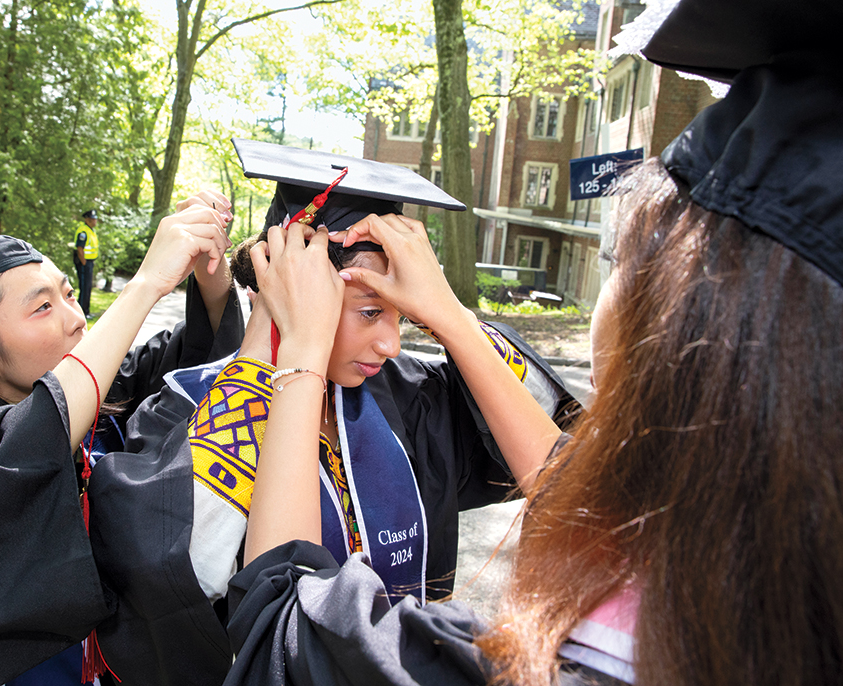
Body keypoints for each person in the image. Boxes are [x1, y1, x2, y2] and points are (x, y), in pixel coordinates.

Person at [220, 2, 843, 685]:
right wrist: (451, 318)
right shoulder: (763, 598)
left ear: (679, 323)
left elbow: (280, 624)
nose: (392, 343)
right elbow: (578, 497)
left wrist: (300, 353)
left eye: (618, 262)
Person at [84, 140, 581, 685]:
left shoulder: (411, 397)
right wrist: (274, 347)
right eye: (370, 312)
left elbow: (555, 451)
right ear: (298, 288)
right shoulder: (185, 409)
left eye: (403, 316)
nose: (392, 343)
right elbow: (178, 576)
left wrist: (445, 311)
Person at [0, 165, 243, 686]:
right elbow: (19, 447)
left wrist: (207, 265)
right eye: (42, 307)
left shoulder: (108, 399)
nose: (77, 318)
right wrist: (145, 284)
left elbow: (191, 358)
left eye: (68, 293)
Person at [74, 209, 100, 317]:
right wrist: (84, 263)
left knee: (88, 287)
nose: (95, 222)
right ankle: (81, 312)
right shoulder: (83, 231)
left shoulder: (90, 230)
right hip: (84, 262)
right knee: (84, 287)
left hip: (89, 262)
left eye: (95, 219)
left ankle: (86, 311)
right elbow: (80, 248)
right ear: (87, 220)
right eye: (92, 220)